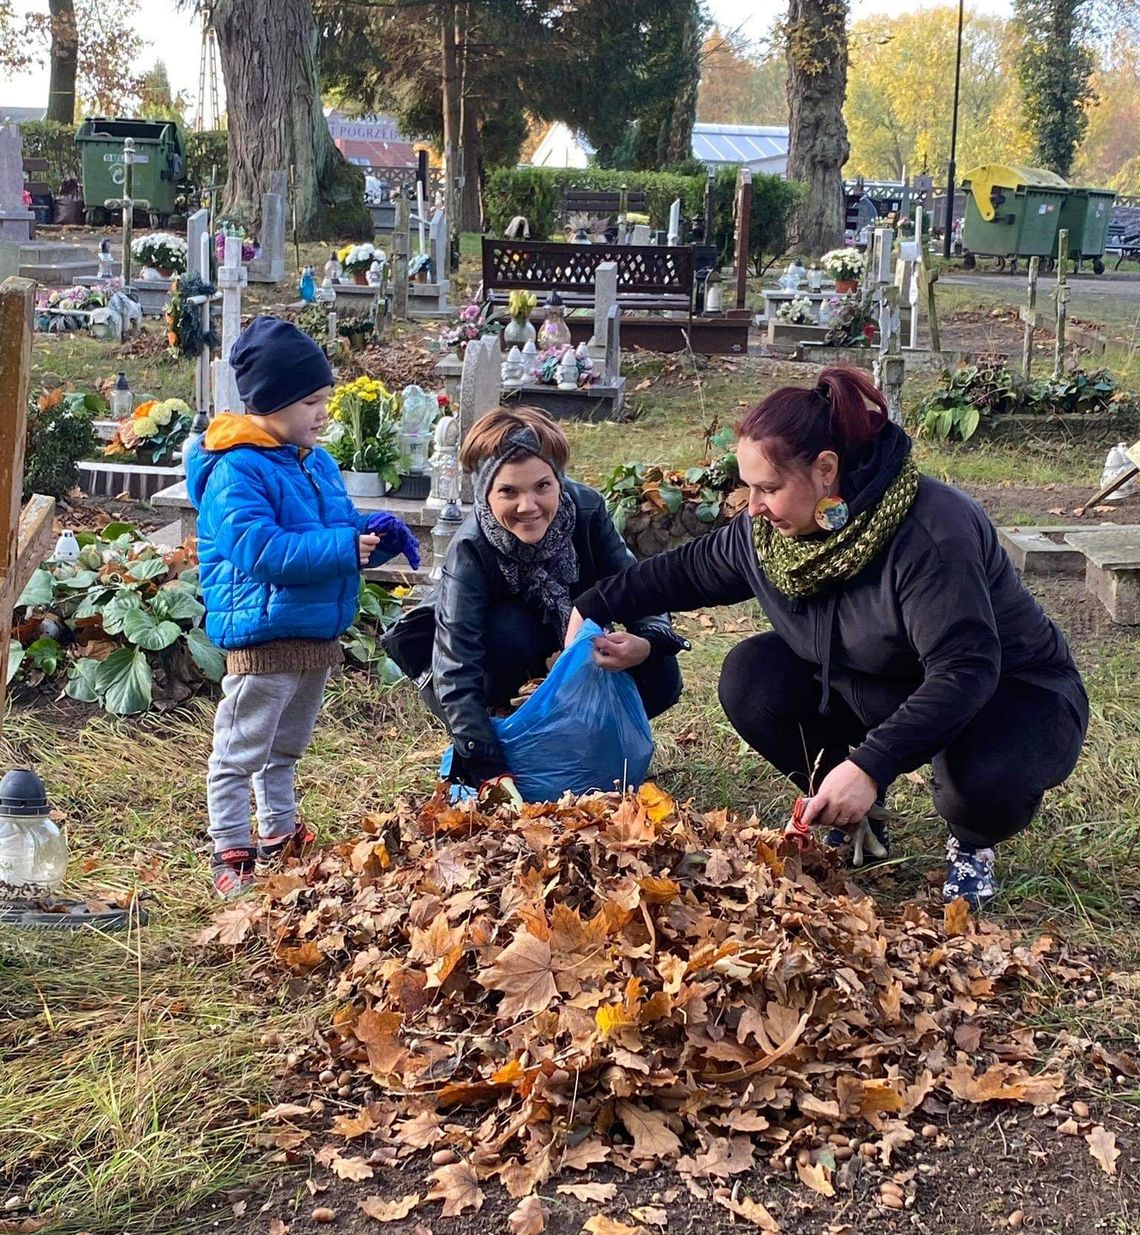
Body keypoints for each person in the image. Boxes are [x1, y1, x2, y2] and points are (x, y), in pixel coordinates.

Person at [569, 367, 1088, 908]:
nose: (753, 507)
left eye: (768, 488)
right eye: (748, 488)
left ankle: (973, 844)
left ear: (824, 470)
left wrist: (870, 762)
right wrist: (594, 606)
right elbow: (687, 572)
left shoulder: (931, 533)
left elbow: (966, 670)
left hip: (1009, 691)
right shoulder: (770, 536)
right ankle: (854, 808)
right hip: (886, 679)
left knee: (982, 782)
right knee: (752, 676)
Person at [186, 316, 420, 898]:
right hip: (263, 634)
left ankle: (279, 832)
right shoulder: (236, 469)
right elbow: (259, 550)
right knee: (242, 748)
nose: (323, 413)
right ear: (270, 402)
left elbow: (331, 526)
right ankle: (231, 847)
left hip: (313, 633)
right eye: (311, 401)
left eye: (325, 400)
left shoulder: (314, 461)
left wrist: (371, 531)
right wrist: (344, 546)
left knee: (286, 746)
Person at [384, 406, 688, 792]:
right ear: (485, 493)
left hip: (576, 650)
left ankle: (587, 735)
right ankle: (513, 731)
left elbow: (639, 591)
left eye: (542, 487)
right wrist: (484, 759)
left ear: (558, 481)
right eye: (509, 491)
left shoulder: (589, 511)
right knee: (509, 630)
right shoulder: (471, 548)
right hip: (508, 664)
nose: (528, 506)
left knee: (659, 668)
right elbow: (455, 664)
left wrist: (647, 643)